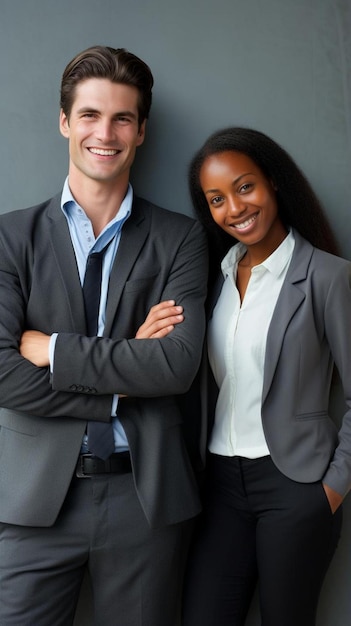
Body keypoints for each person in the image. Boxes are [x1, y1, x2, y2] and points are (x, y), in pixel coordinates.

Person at [0, 46, 208, 626]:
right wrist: (126, 372)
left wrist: (55, 350)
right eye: (90, 115)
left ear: (141, 132)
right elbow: (1, 373)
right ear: (65, 122)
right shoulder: (8, 237)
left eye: (122, 118)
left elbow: (175, 366)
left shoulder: (180, 239)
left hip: (146, 501)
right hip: (31, 502)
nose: (105, 133)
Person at [178, 127, 351, 626]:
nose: (234, 208)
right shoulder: (214, 280)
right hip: (221, 488)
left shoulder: (326, 277)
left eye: (244, 187)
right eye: (216, 199)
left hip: (296, 485)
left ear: (273, 183)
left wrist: (330, 492)